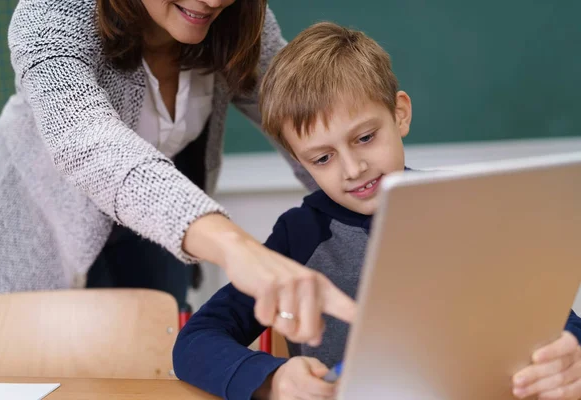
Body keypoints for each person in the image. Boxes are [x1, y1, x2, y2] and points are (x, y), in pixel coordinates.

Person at [172, 22, 581, 400]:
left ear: (399, 114)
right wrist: (274, 379)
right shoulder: (299, 236)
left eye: (365, 137)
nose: (353, 169)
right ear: (298, 158)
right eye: (322, 159)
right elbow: (195, 341)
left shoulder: (467, 208)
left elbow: (554, 316)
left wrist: (571, 349)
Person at [0, 0, 355, 344]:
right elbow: (88, 142)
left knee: (154, 351)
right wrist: (235, 247)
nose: (212, 1)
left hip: (158, 218)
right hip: (43, 219)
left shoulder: (238, 18)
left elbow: (306, 124)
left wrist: (378, 221)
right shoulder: (53, 14)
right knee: (45, 356)